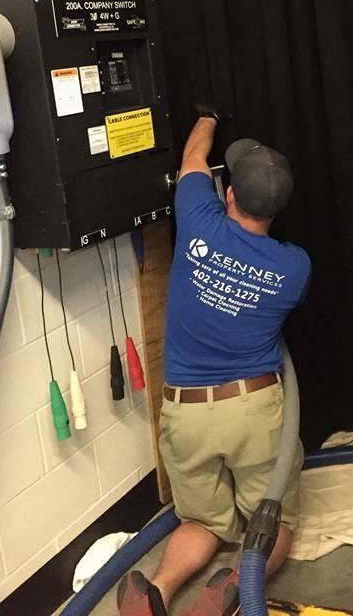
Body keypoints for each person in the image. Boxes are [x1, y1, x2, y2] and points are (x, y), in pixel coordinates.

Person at [118, 109, 311, 616]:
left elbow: (193, 157)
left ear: (229, 195)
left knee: (200, 521)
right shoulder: (294, 265)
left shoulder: (197, 221)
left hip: (187, 413)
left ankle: (156, 589)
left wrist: (207, 117)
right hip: (255, 411)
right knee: (276, 519)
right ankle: (233, 583)